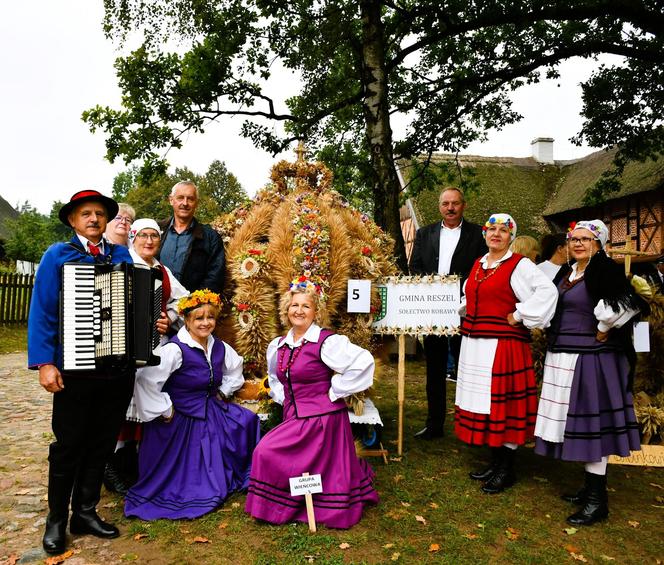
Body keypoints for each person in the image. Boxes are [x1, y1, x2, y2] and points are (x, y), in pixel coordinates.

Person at [28, 190, 133, 554]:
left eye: (100, 214)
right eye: (86, 213)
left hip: (116, 370)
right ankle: (56, 519)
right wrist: (45, 362)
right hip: (74, 371)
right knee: (68, 445)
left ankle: (84, 513)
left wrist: (152, 323)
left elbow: (137, 304)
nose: (93, 219)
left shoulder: (120, 256)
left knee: (102, 442)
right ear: (73, 220)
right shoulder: (58, 256)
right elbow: (42, 311)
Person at [244, 277, 379, 528]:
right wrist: (285, 398)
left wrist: (334, 391)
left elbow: (364, 362)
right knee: (281, 456)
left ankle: (302, 504)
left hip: (323, 420)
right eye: (295, 305)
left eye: (306, 306)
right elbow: (275, 378)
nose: (299, 311)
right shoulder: (279, 345)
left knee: (264, 451)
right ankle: (288, 502)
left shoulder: (327, 342)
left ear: (316, 312)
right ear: (287, 309)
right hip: (295, 416)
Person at [534, 220, 644, 526]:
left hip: (591, 359)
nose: (578, 243)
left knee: (593, 426)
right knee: (579, 425)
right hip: (564, 355)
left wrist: (604, 326)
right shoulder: (568, 273)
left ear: (599, 243)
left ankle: (598, 501)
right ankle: (588, 488)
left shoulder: (605, 270)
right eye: (574, 239)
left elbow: (631, 303)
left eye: (585, 239)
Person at [124, 290, 260, 519]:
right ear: (186, 320)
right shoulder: (174, 350)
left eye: (210, 318)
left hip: (211, 408)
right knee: (198, 460)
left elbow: (235, 370)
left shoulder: (219, 347)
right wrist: (165, 409)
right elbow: (146, 381)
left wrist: (224, 392)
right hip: (181, 416)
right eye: (199, 318)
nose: (205, 323)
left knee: (247, 421)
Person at [454, 214, 557, 494]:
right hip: (476, 343)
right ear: (484, 234)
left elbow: (547, 292)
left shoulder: (520, 265)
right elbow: (470, 295)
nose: (496, 234)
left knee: (504, 405)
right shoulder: (479, 263)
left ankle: (507, 468)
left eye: (503, 230)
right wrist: (466, 307)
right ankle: (495, 461)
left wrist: (520, 314)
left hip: (503, 345)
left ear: (511, 236)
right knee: (487, 404)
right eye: (492, 230)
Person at [103, 218, 190, 495]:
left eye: (154, 236)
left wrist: (169, 317)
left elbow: (184, 300)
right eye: (144, 236)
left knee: (146, 396)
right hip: (120, 345)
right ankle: (112, 463)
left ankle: (137, 462)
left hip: (153, 344)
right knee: (118, 400)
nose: (149, 241)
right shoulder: (121, 263)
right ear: (133, 237)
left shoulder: (162, 271)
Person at [409, 186, 487, 439]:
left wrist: (457, 288)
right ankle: (434, 425)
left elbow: (482, 268)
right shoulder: (425, 233)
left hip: (466, 309)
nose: (450, 208)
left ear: (463, 205)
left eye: (455, 203)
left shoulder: (478, 234)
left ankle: (472, 425)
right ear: (439, 206)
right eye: (445, 204)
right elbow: (415, 266)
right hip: (434, 311)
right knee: (435, 369)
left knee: (468, 368)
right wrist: (435, 288)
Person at [158, 180, 225, 293]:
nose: (185, 203)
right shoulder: (156, 230)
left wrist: (195, 302)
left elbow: (215, 275)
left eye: (190, 199)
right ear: (171, 200)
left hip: (191, 306)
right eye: (180, 197)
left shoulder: (210, 237)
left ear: (196, 203)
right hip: (156, 303)